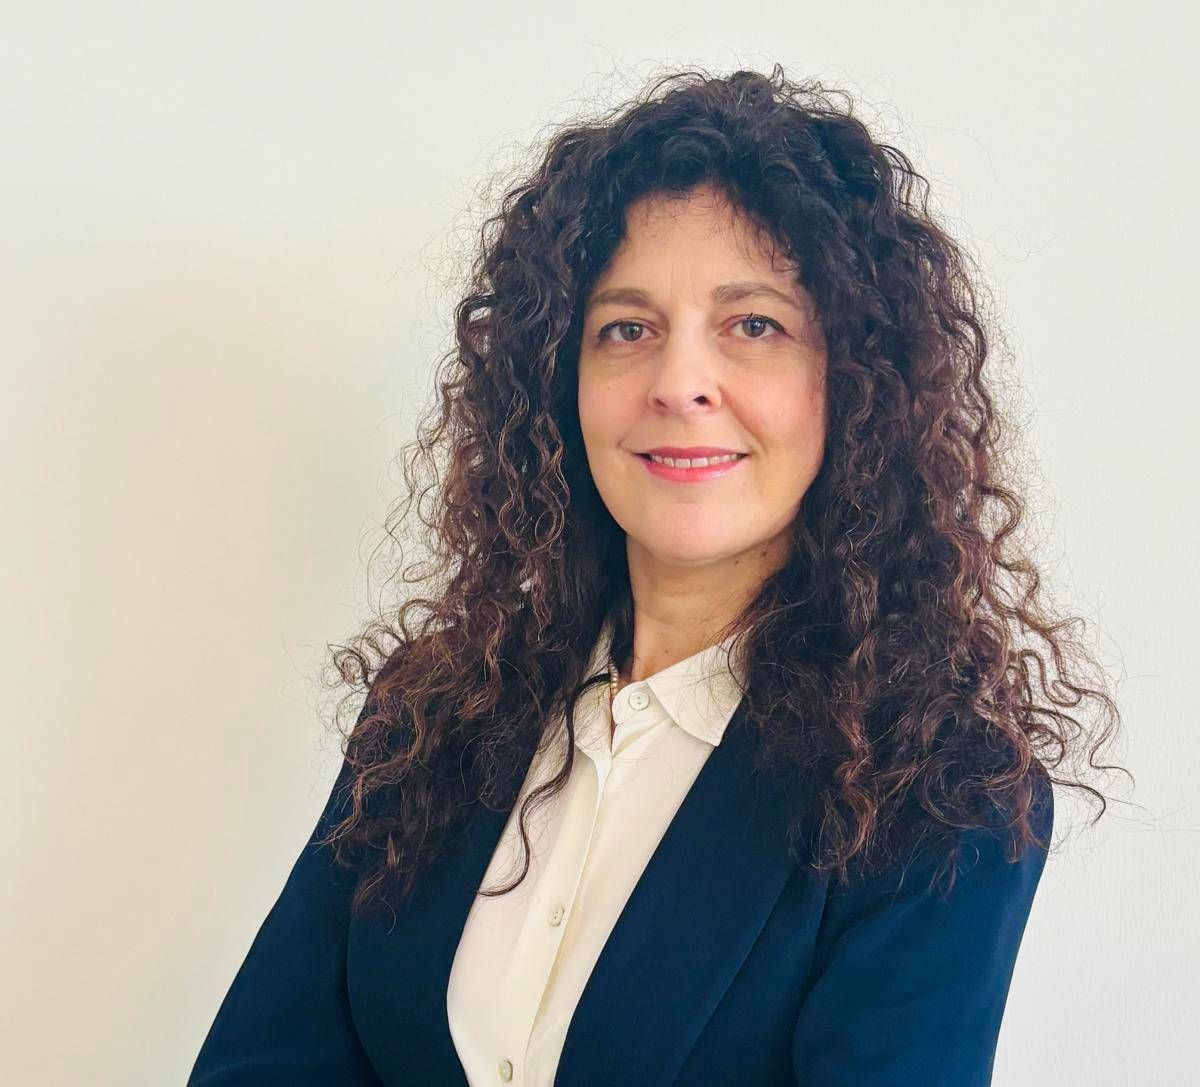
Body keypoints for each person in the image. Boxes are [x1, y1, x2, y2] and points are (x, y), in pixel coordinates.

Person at [188, 64, 1122, 1086]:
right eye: (627, 329)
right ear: (563, 382)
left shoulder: (938, 798)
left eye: (754, 325)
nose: (679, 383)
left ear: (856, 383)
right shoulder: (431, 713)